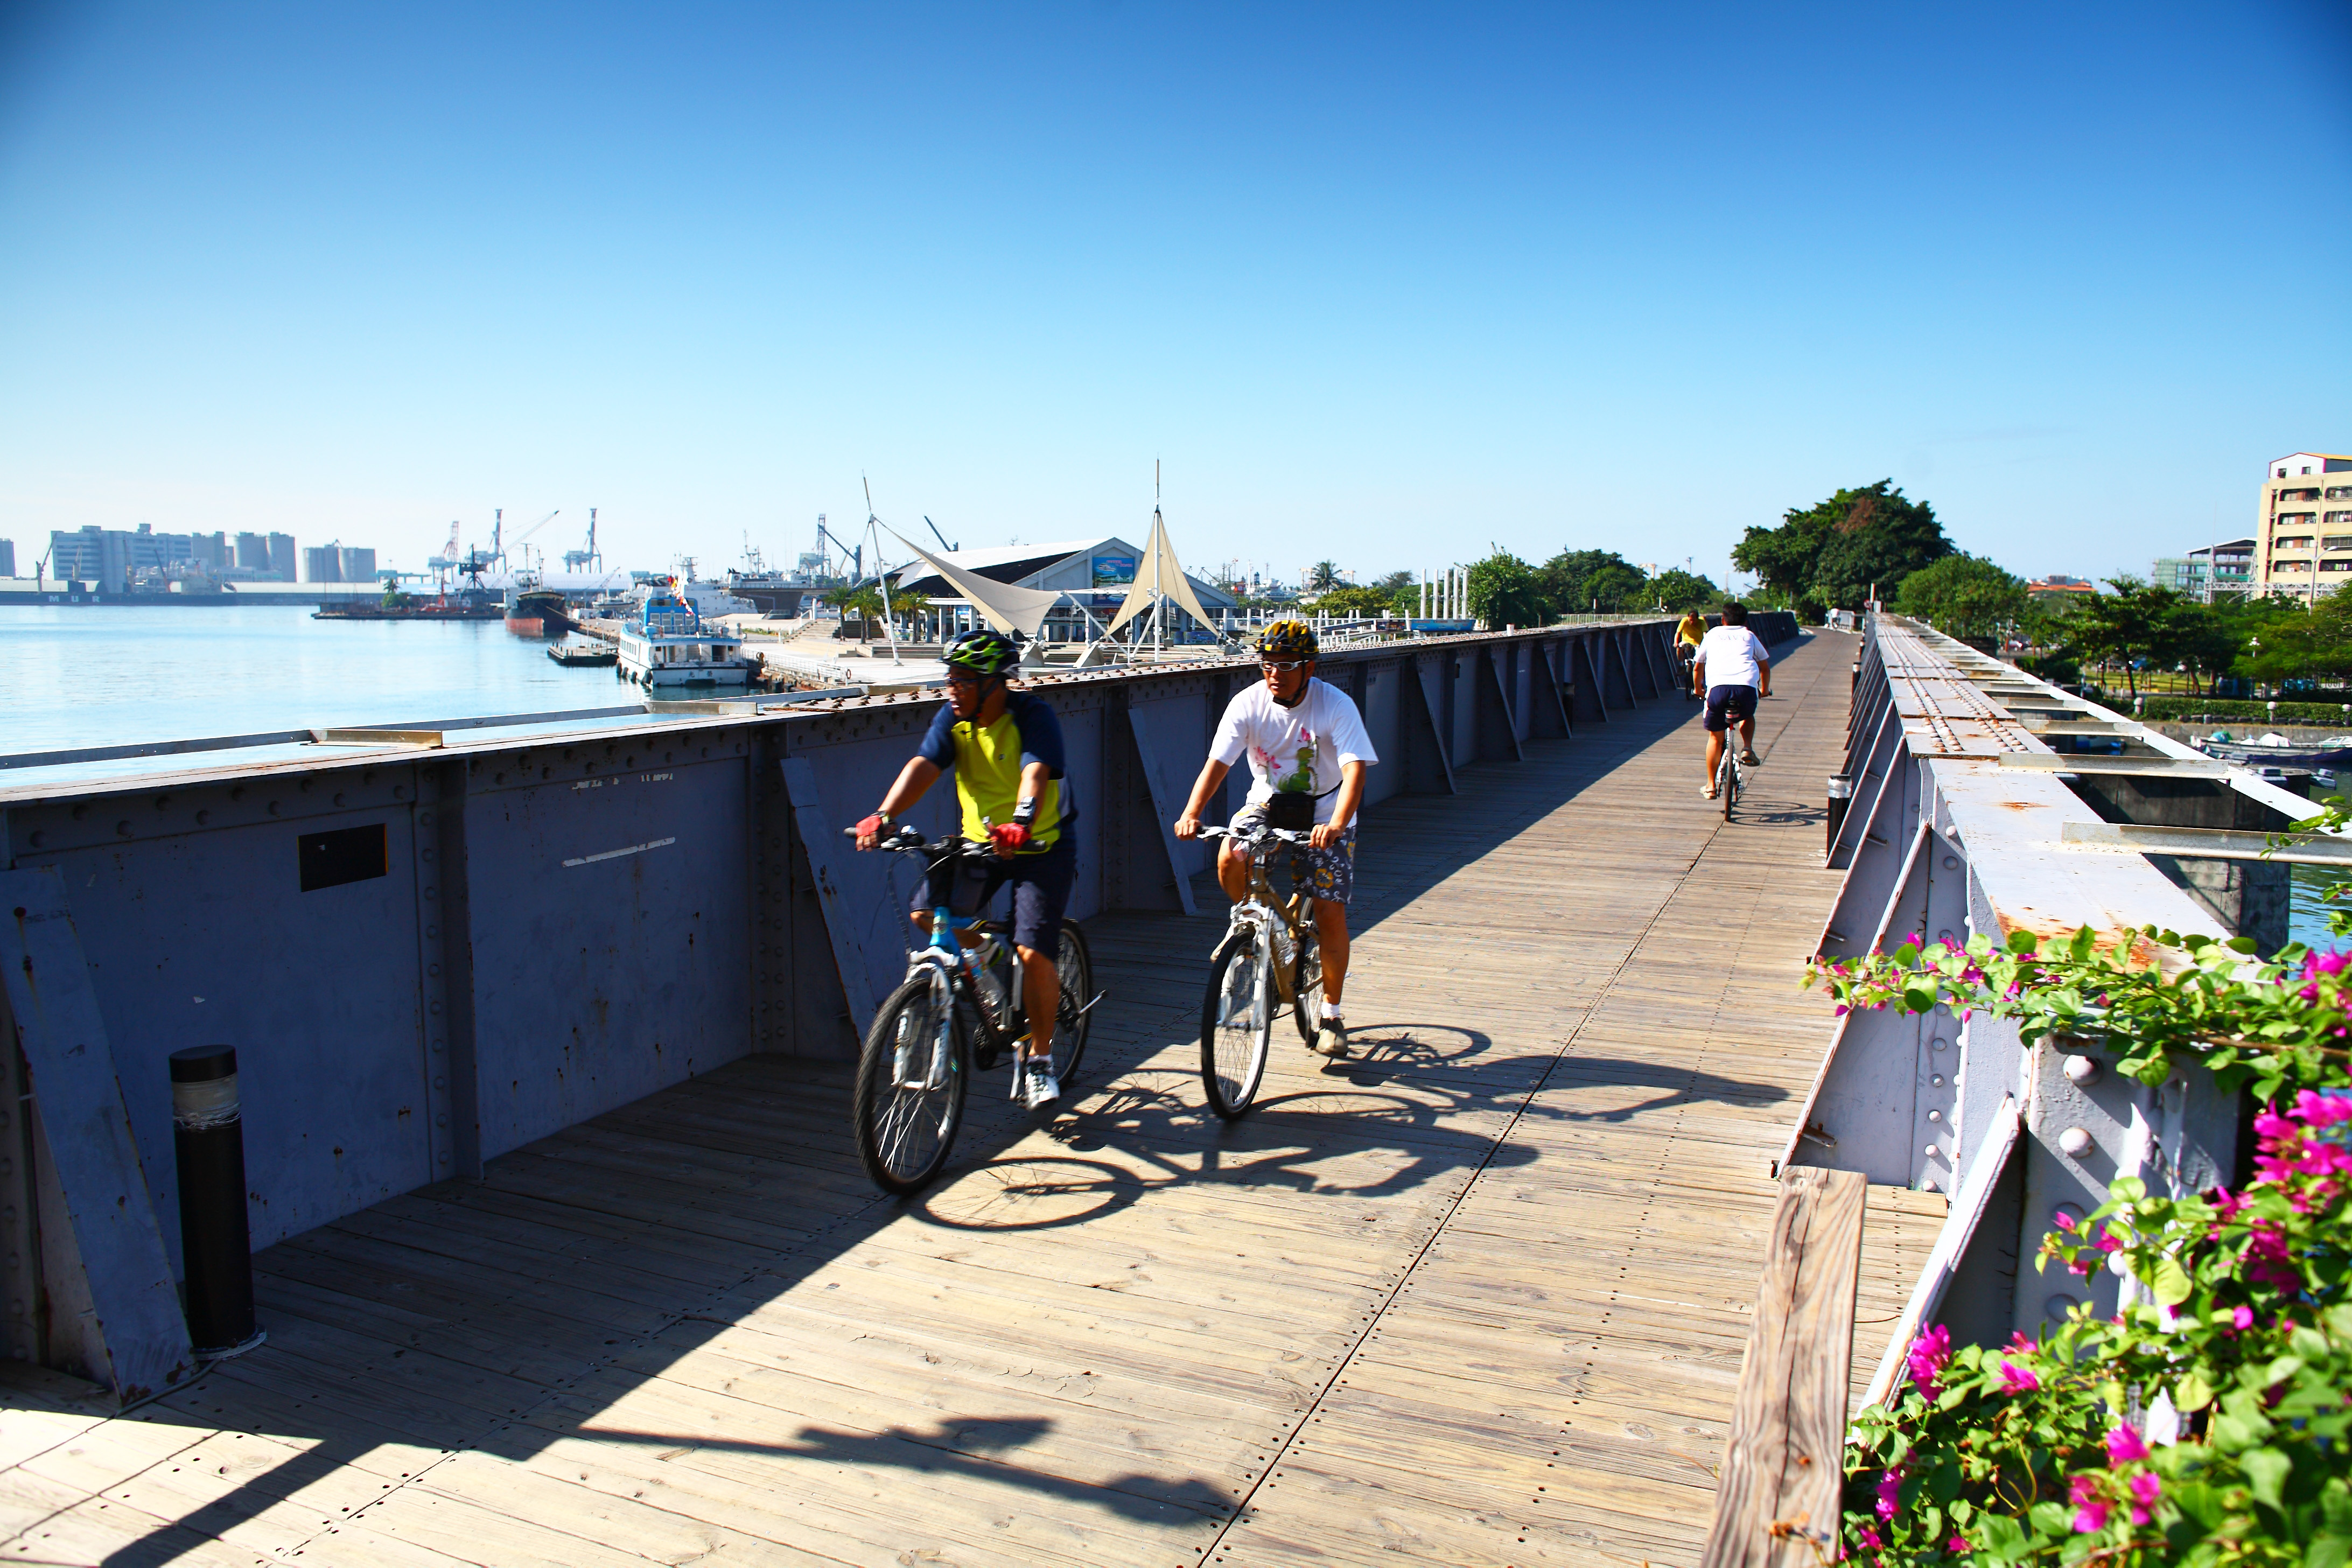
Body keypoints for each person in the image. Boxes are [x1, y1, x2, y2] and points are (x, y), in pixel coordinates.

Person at [853, 627, 1074, 1110]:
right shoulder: (953, 719)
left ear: (997, 683)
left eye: (964, 680)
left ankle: (1039, 1059)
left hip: (1039, 845)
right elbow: (923, 767)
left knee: (1034, 953)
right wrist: (884, 815)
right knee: (927, 916)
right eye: (951, 679)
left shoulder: (1033, 717)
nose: (952, 689)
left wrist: (1021, 822)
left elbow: (1035, 774)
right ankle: (993, 964)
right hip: (980, 844)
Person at [1174, 620, 1377, 1059]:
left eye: (1287, 665)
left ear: (1310, 668)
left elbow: (1355, 769)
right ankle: (1254, 930)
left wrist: (1338, 823)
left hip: (1325, 810)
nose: (1275, 674)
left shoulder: (1334, 705)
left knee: (1328, 911)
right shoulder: (1247, 704)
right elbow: (1217, 765)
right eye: (1267, 664)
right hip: (1268, 801)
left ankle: (1332, 1014)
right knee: (1230, 857)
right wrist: (1192, 812)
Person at [1693, 601, 1771, 799]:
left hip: (1718, 689)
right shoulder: (1749, 635)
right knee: (1747, 715)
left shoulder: (1712, 634)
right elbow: (1764, 667)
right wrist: (1763, 689)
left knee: (1715, 737)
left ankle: (1711, 786)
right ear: (1745, 622)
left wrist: (1698, 689)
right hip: (1746, 687)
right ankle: (1747, 748)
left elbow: (1698, 667)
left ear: (1722, 619)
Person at [1675, 608, 1707, 695]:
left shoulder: (1702, 621)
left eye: (1694, 620)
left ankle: (1701, 682)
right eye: (1690, 620)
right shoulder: (1684, 621)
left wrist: (1706, 643)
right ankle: (1681, 665)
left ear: (1698, 618)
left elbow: (1705, 633)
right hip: (1686, 641)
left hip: (1698, 643)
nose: (1692, 622)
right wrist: (1676, 642)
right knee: (1680, 648)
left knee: (1701, 660)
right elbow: (1678, 633)